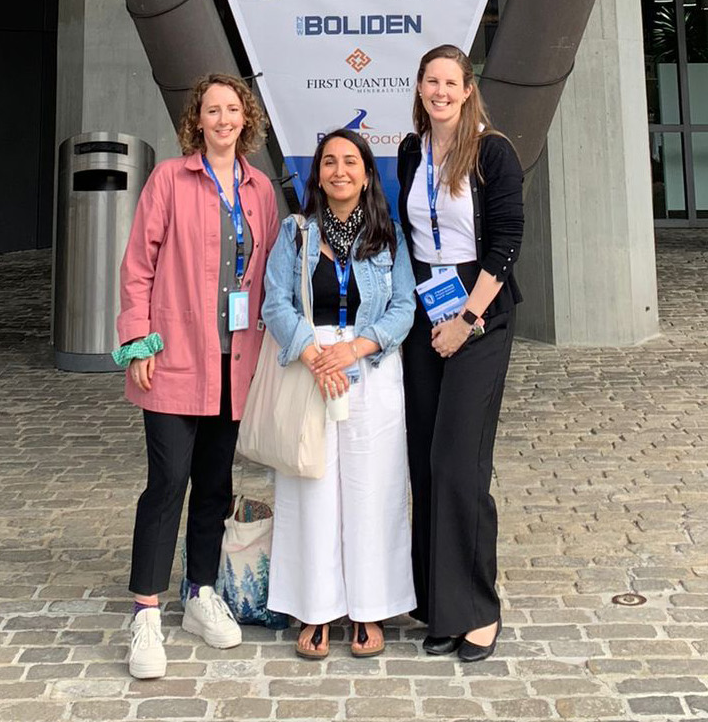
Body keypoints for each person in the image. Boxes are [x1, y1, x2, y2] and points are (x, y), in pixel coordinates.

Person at [116, 73, 279, 681]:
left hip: (235, 363)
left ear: (246, 119)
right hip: (175, 359)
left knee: (214, 485)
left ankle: (201, 593)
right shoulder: (169, 180)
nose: (223, 119)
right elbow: (139, 264)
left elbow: (264, 277)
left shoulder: (259, 189)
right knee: (167, 482)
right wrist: (137, 339)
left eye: (232, 110)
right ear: (198, 120)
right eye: (212, 110)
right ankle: (147, 613)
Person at [262, 128, 416, 659]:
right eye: (329, 161)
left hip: (370, 369)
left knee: (373, 490)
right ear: (318, 174)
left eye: (351, 161)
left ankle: (371, 607)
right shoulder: (296, 233)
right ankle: (316, 608)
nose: (340, 170)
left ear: (367, 173)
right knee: (313, 488)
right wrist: (313, 354)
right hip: (310, 369)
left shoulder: (389, 235)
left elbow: (404, 308)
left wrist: (355, 350)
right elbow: (275, 303)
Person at [397, 44, 524, 664]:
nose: (440, 91)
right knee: (423, 461)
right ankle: (439, 608)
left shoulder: (493, 152)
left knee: (458, 462)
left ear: (468, 89)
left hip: (481, 314)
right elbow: (407, 238)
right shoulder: (407, 152)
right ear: (420, 88)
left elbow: (506, 242)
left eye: (450, 82)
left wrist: (467, 319)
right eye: (430, 81)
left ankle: (477, 609)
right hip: (426, 312)